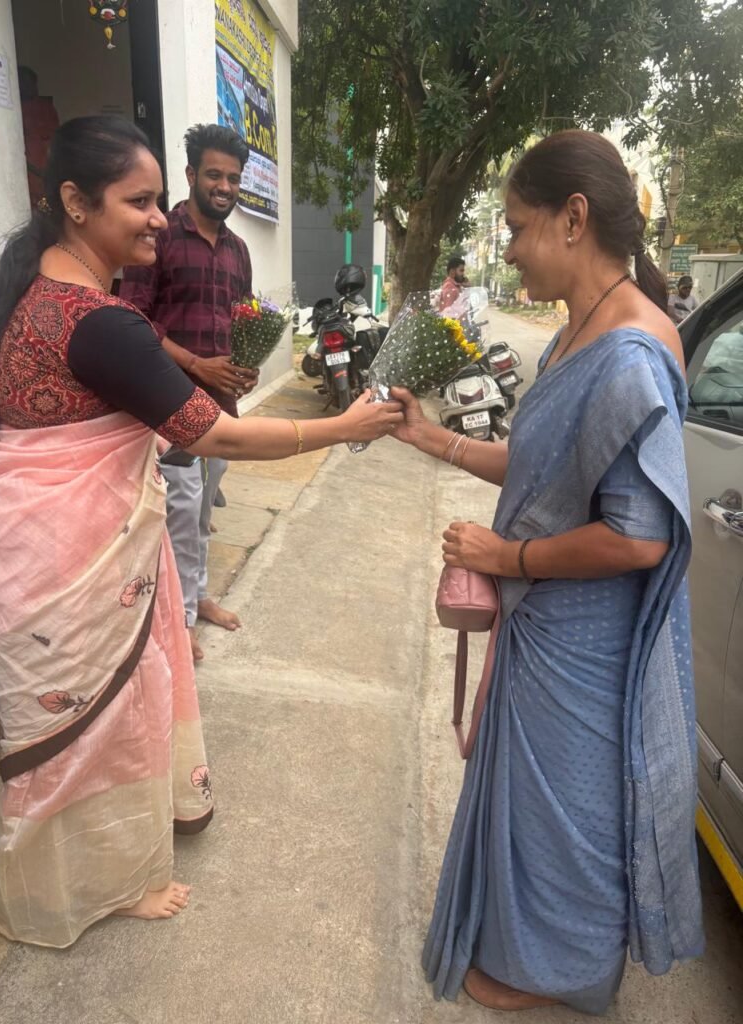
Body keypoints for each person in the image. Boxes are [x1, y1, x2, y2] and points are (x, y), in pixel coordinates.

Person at [0, 116, 401, 949]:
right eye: (138, 202)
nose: (156, 219)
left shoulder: (22, 299)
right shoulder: (101, 323)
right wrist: (346, 426)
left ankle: (63, 875)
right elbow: (216, 435)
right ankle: (107, 882)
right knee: (108, 715)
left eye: (157, 200)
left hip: (22, 552)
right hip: (76, 561)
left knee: (56, 724)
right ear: (75, 203)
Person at [390, 129, 703, 1014]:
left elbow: (638, 538)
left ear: (573, 219)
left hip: (587, 639)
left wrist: (505, 557)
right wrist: (433, 439)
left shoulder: (631, 354)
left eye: (520, 226)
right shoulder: (577, 331)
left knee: (573, 812)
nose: (512, 248)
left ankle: (564, 974)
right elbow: (544, 470)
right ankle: (531, 952)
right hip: (547, 625)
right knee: (535, 802)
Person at [120, 124, 256, 662]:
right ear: (191, 174)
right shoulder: (160, 238)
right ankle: (178, 621)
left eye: (233, 178)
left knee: (201, 514)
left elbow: (243, 320)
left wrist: (244, 366)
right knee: (178, 512)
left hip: (221, 409)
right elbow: (133, 319)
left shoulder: (238, 250)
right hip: (169, 403)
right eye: (214, 175)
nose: (224, 186)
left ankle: (196, 598)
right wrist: (197, 364)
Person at [18, 66, 60, 209]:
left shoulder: (46, 108)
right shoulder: (15, 110)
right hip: (28, 170)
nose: (29, 87)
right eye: (24, 83)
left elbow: (55, 135)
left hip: (48, 165)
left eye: (31, 83)